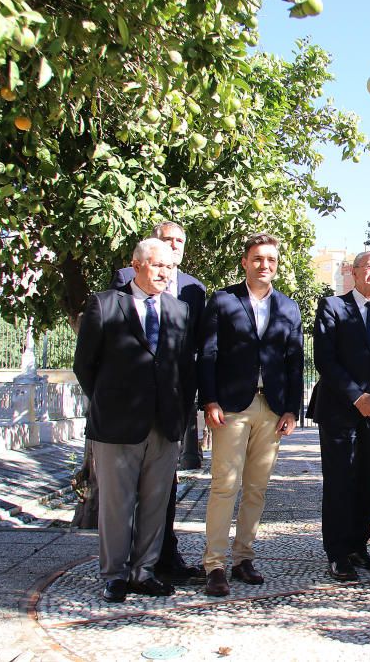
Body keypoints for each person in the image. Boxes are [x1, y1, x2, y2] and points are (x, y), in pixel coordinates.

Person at [74, 238, 196, 603]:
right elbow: (85, 366)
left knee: (156, 502)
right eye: (157, 264)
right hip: (116, 425)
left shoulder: (179, 310)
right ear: (136, 265)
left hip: (164, 424)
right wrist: (110, 401)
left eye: (170, 266)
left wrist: (179, 410)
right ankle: (114, 575)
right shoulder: (105, 303)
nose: (164, 272)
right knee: (117, 503)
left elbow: (183, 368)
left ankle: (144, 571)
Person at [198, 233, 304, 597]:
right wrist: (209, 400)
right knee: (225, 484)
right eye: (257, 258)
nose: (264, 265)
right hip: (231, 407)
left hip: (271, 408)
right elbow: (208, 354)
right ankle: (214, 563)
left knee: (256, 489)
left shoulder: (289, 308)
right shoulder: (223, 300)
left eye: (271, 260)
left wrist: (292, 408)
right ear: (244, 262)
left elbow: (294, 363)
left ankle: (244, 558)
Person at [110, 220, 206, 583]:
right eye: (167, 239)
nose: (175, 246)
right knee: (126, 489)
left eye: (180, 240)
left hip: (173, 403)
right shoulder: (124, 277)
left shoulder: (194, 289)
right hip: (130, 406)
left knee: (165, 485)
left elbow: (195, 349)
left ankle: (163, 558)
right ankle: (121, 567)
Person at [308, 250, 370, 581]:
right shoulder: (333, 307)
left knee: (366, 480)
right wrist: (356, 396)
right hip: (338, 410)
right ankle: (337, 553)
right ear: (355, 271)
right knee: (339, 481)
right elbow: (325, 358)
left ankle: (358, 547)